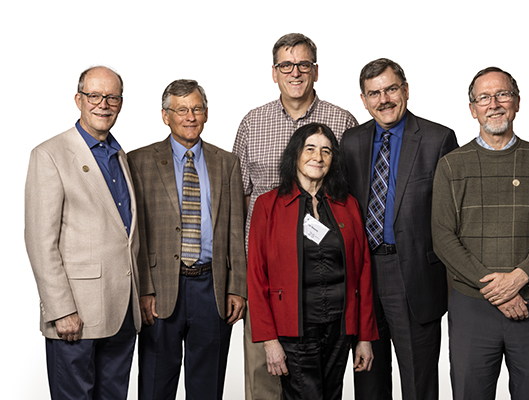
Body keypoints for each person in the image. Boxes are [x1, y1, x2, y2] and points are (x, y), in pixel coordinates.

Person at [432, 66, 529, 400]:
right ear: (473, 109)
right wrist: (498, 290)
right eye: (484, 98)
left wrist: (520, 278)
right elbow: (443, 237)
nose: (493, 104)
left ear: (517, 102)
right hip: (472, 308)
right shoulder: (452, 165)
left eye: (502, 94)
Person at [232, 32, 358, 400]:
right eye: (286, 65)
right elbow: (240, 198)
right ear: (274, 72)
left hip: (325, 278)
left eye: (303, 64)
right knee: (264, 377)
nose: (295, 72)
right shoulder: (252, 122)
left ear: (316, 71)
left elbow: (348, 199)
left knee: (321, 384)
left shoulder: (342, 121)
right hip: (268, 275)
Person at [340, 58, 458, 400]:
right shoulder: (351, 141)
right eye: (374, 93)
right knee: (369, 382)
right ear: (363, 100)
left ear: (405, 90)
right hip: (364, 275)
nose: (384, 100)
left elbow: (454, 215)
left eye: (391, 89)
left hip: (415, 277)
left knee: (418, 384)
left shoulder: (438, 139)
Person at [24, 66, 141, 399]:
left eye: (112, 97)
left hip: (121, 312)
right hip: (76, 315)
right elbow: (40, 241)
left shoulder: (120, 155)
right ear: (79, 100)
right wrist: (61, 310)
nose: (103, 104)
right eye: (95, 96)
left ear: (121, 103)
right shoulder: (50, 154)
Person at [127, 79, 246, 400]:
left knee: (207, 387)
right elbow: (136, 233)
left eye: (196, 109)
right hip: (161, 290)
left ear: (206, 113)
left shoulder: (227, 163)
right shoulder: (139, 161)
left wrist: (237, 287)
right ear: (165, 116)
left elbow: (236, 230)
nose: (190, 117)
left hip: (212, 288)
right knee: (155, 386)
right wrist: (144, 289)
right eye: (181, 110)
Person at [247, 123, 377, 400]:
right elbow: (256, 276)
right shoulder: (267, 205)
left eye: (326, 151)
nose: (318, 157)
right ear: (295, 153)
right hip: (293, 328)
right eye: (310, 149)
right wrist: (269, 340)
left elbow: (363, 272)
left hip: (340, 328)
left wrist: (364, 337)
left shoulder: (348, 205)